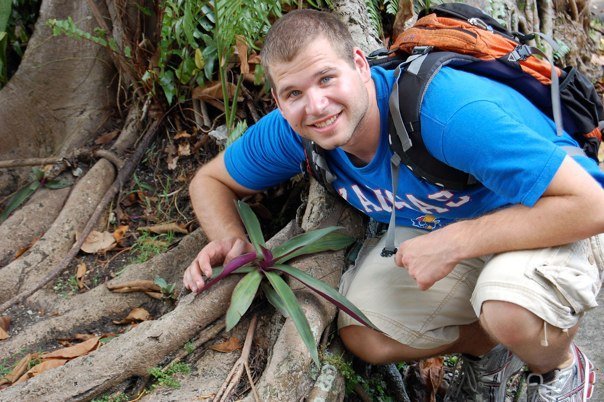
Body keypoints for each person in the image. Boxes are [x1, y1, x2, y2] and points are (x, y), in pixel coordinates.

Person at [183, 9, 604, 401]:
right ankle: (491, 351)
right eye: (294, 92)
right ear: (279, 101)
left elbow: (593, 206)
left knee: (508, 310)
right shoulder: (292, 131)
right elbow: (209, 181)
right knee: (365, 332)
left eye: (327, 78)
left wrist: (455, 242)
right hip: (454, 230)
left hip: (552, 215)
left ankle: (559, 370)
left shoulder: (445, 111)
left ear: (359, 65)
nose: (316, 105)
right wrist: (231, 241)